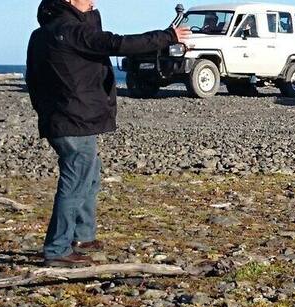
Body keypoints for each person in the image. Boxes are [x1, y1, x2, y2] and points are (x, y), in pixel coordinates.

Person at [26, 0, 187, 267]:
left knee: (89, 175)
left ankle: (82, 235)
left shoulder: (46, 33)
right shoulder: (70, 31)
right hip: (71, 119)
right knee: (76, 182)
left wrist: (88, 14)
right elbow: (116, 43)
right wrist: (167, 37)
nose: (93, 2)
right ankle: (57, 249)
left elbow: (35, 76)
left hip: (67, 117)